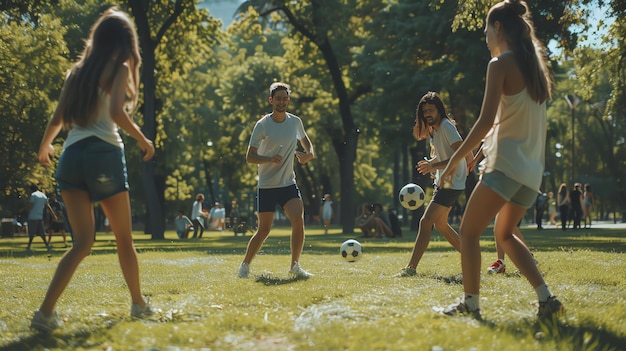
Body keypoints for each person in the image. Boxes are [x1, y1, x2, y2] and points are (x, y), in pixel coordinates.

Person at [32, 7, 156, 333]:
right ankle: (138, 304)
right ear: (126, 41)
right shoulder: (119, 67)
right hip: (103, 154)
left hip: (70, 157)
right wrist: (143, 139)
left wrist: (45, 146)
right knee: (124, 239)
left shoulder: (77, 71)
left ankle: (44, 314)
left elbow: (58, 117)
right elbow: (116, 112)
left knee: (82, 242)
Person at [438, 0, 563, 320]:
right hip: (531, 173)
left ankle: (471, 303)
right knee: (504, 234)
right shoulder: (535, 67)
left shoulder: (500, 64)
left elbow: (483, 122)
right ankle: (547, 299)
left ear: (497, 28)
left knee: (467, 232)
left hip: (506, 166)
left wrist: (456, 159)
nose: (484, 36)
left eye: (485, 29)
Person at [238, 82, 315, 279]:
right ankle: (245, 265)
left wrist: (309, 154)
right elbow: (250, 157)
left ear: (288, 100)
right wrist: (269, 159)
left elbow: (305, 141)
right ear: (271, 100)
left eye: (284, 98)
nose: (281, 102)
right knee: (263, 230)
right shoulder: (263, 125)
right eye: (278, 98)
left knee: (298, 219)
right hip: (267, 186)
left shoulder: (295, 122)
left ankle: (295, 266)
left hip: (288, 183)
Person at [396, 92, 472, 277]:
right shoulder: (435, 129)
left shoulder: (446, 127)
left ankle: (411, 268)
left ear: (439, 109)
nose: (427, 114)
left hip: (452, 182)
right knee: (441, 225)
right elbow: (445, 154)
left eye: (431, 110)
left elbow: (459, 154)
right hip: (445, 181)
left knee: (425, 221)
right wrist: (432, 163)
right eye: (424, 112)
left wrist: (434, 165)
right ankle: (472, 258)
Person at [26, 185, 55, 251]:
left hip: (32, 216)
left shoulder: (33, 195)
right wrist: (53, 215)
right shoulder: (43, 195)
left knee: (31, 233)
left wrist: (24, 208)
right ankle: (47, 246)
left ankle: (28, 247)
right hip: (40, 216)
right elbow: (47, 206)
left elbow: (30, 205)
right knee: (42, 233)